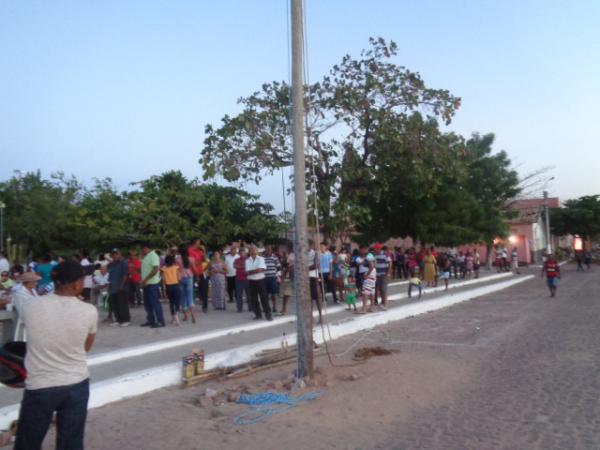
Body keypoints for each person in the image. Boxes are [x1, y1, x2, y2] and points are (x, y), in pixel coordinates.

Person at [14, 260, 97, 450]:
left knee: (28, 442)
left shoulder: (31, 306)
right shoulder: (89, 311)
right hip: (76, 383)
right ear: (76, 284)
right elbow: (85, 347)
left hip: (40, 385)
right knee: (71, 442)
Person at [140, 242, 165, 328]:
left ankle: (160, 321)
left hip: (152, 283)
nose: (141, 251)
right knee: (147, 303)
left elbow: (155, 269)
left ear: (146, 248)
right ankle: (151, 320)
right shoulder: (146, 256)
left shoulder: (153, 255)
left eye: (142, 249)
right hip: (146, 283)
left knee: (155, 303)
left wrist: (146, 279)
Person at [245, 245, 272, 321]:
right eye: (251, 250)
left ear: (257, 251)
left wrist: (253, 271)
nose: (253, 251)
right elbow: (248, 272)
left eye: (254, 249)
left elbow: (261, 270)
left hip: (260, 280)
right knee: (254, 299)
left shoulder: (261, 259)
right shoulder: (247, 260)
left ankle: (268, 314)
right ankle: (258, 314)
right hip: (251, 281)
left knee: (264, 298)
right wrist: (256, 270)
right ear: (249, 251)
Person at [107, 249, 130, 327]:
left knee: (122, 304)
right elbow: (110, 276)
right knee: (115, 304)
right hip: (113, 287)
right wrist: (109, 286)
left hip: (121, 287)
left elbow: (125, 276)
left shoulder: (124, 263)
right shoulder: (111, 264)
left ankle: (126, 320)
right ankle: (118, 320)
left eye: (116, 254)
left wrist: (121, 286)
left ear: (120, 254)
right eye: (113, 254)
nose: (115, 255)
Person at [177, 246, 197, 323]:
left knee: (183, 298)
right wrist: (197, 276)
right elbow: (194, 269)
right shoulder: (191, 259)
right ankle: (192, 314)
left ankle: (185, 316)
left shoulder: (177, 260)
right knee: (190, 297)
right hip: (189, 278)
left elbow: (176, 269)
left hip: (180, 278)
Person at [188, 239, 208, 313]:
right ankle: (189, 306)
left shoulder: (200, 251)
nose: (200, 244)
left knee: (204, 288)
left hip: (201, 271)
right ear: (195, 243)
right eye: (198, 242)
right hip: (191, 273)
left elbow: (205, 260)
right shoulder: (189, 250)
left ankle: (205, 306)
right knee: (190, 290)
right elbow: (192, 262)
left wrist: (204, 252)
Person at [162, 254, 181, 325]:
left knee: (171, 303)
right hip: (176, 286)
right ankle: (176, 315)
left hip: (168, 287)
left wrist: (164, 290)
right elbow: (179, 278)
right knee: (177, 302)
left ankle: (173, 317)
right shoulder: (176, 268)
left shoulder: (164, 269)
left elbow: (163, 281)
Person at [307, 240, 323, 324]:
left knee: (317, 298)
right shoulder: (302, 253)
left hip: (313, 276)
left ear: (311, 245)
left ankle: (321, 317)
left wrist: (305, 269)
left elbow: (316, 265)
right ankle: (311, 317)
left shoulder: (315, 253)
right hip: (306, 277)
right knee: (308, 299)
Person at [263, 245, 281, 312]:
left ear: (271, 250)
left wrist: (278, 277)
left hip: (273, 277)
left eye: (269, 249)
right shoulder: (263, 258)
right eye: (267, 249)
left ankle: (274, 307)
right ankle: (267, 307)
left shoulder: (275, 258)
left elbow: (278, 267)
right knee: (265, 294)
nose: (268, 250)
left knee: (273, 294)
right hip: (265, 278)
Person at [233, 247, 251, 313]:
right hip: (239, 279)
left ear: (245, 253)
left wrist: (240, 267)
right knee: (239, 295)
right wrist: (243, 267)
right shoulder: (236, 260)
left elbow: (249, 267)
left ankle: (250, 307)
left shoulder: (249, 259)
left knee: (249, 294)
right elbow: (235, 266)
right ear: (239, 254)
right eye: (240, 253)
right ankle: (239, 308)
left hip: (247, 279)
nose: (242, 254)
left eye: (243, 253)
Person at [374, 244, 391, 310]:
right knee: (380, 289)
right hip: (377, 274)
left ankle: (386, 305)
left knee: (384, 289)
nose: (375, 250)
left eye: (376, 249)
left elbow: (390, 264)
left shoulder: (385, 255)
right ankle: (382, 302)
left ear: (379, 249)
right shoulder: (375, 256)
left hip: (384, 274)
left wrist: (387, 273)